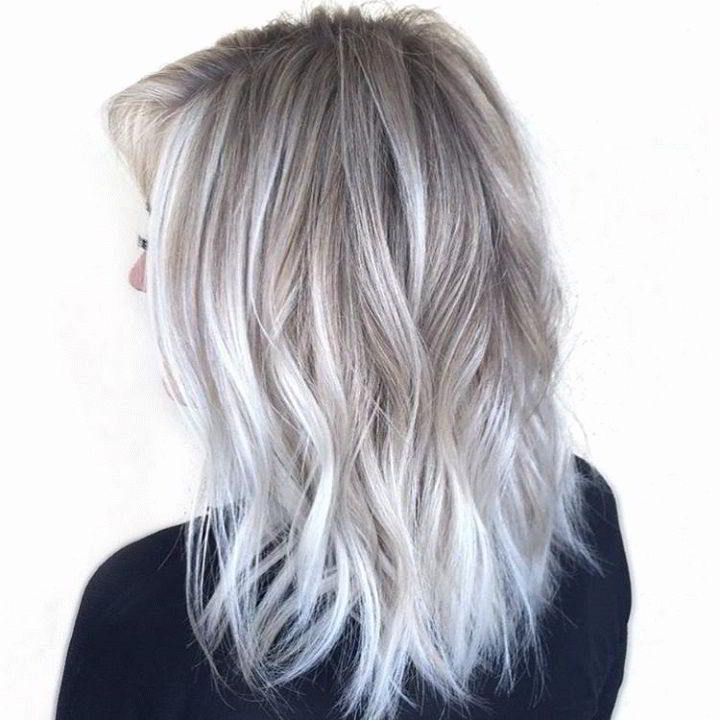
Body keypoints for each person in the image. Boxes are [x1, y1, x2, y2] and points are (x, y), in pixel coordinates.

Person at [54, 4, 631, 719]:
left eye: (165, 241)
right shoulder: (576, 526)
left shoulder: (155, 626)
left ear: (294, 287)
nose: (141, 279)